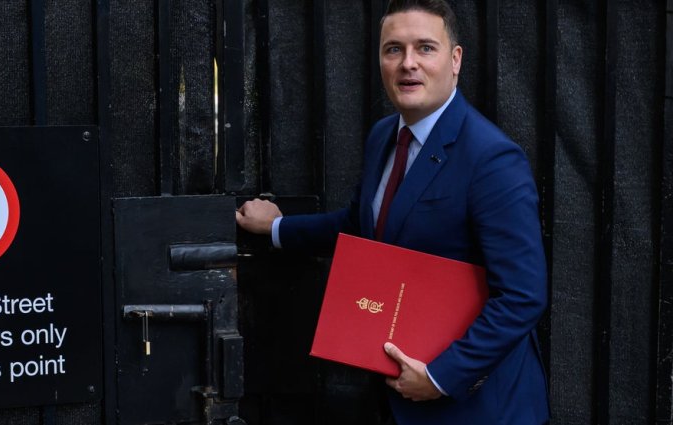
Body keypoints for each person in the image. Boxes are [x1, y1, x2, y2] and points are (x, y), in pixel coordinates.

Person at [235, 0, 549, 423]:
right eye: (394, 49)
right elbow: (360, 226)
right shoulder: (384, 136)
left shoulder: (492, 159)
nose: (408, 64)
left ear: (455, 60)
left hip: (477, 408)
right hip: (392, 399)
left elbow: (523, 296)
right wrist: (276, 228)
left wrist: (440, 377)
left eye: (425, 48)